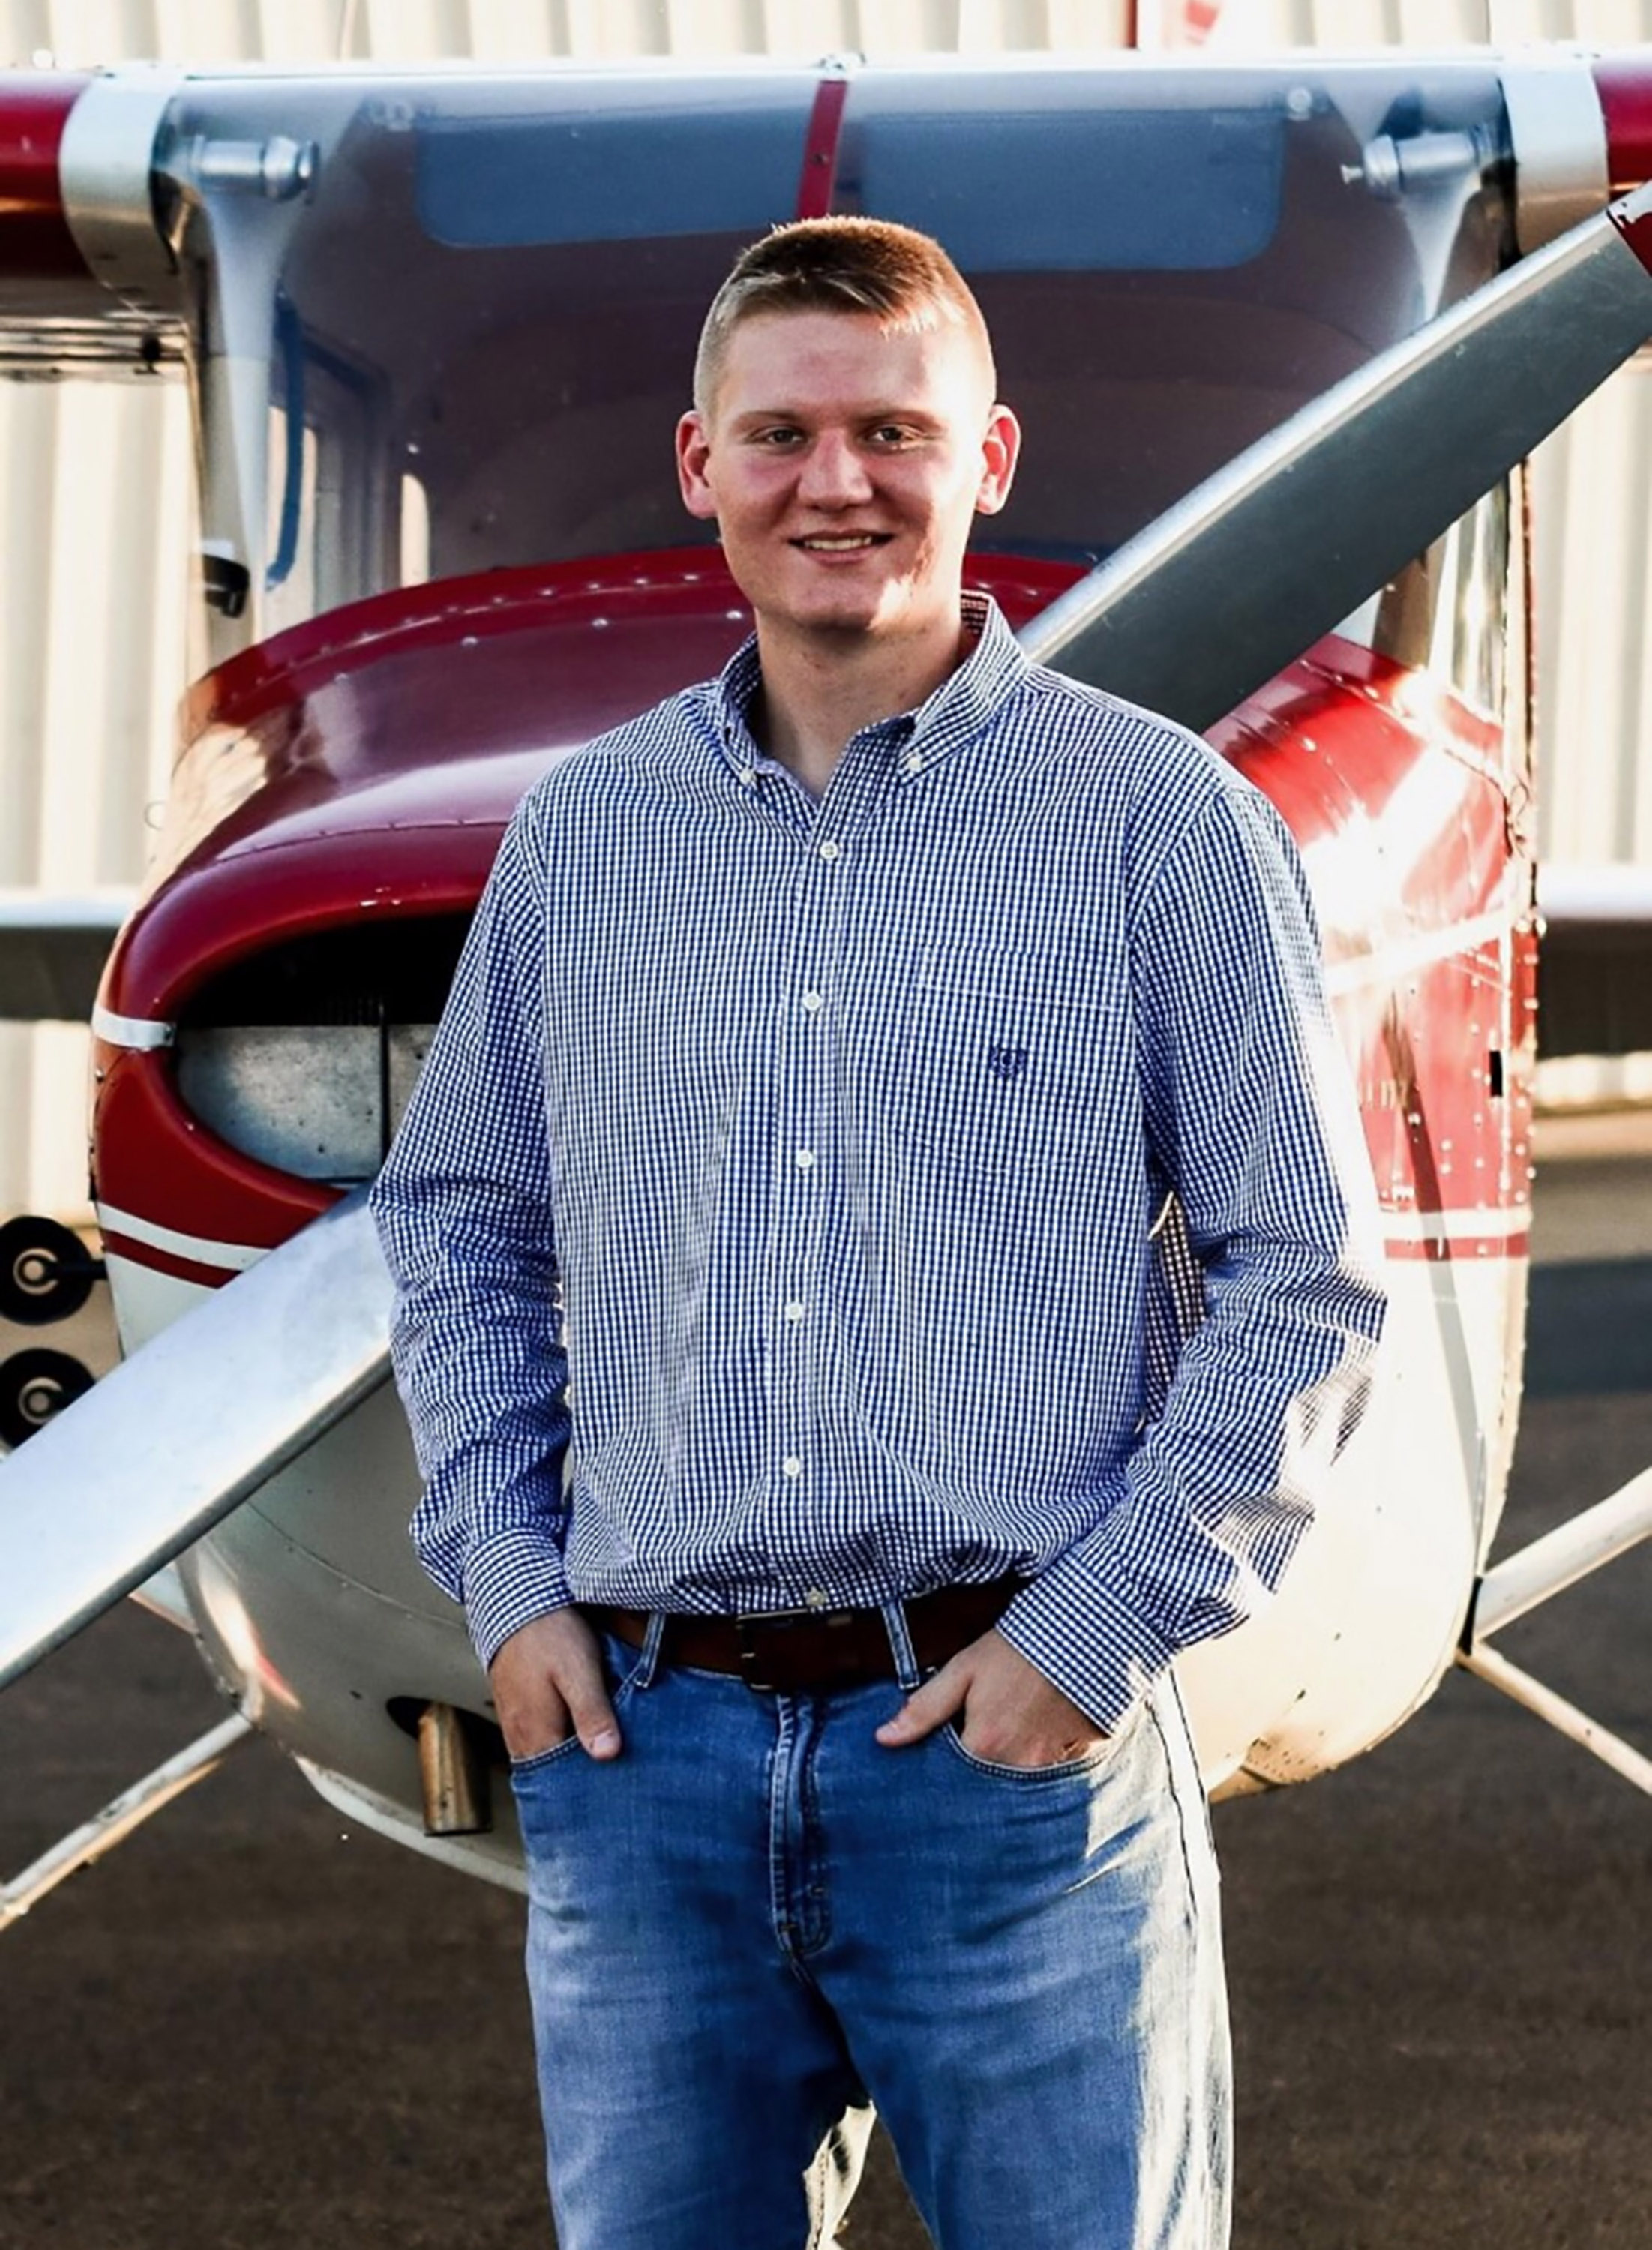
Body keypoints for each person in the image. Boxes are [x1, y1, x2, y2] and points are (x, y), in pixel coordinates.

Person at [370, 216, 1386, 2250]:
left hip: (1004, 1767)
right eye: (782, 436)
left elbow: (1305, 1279)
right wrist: (504, 1581)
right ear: (698, 465)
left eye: (891, 432)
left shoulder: (1155, 821)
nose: (836, 483)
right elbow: (462, 1217)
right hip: (641, 1761)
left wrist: (1077, 1654)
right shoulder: (586, 836)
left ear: (987, 458)